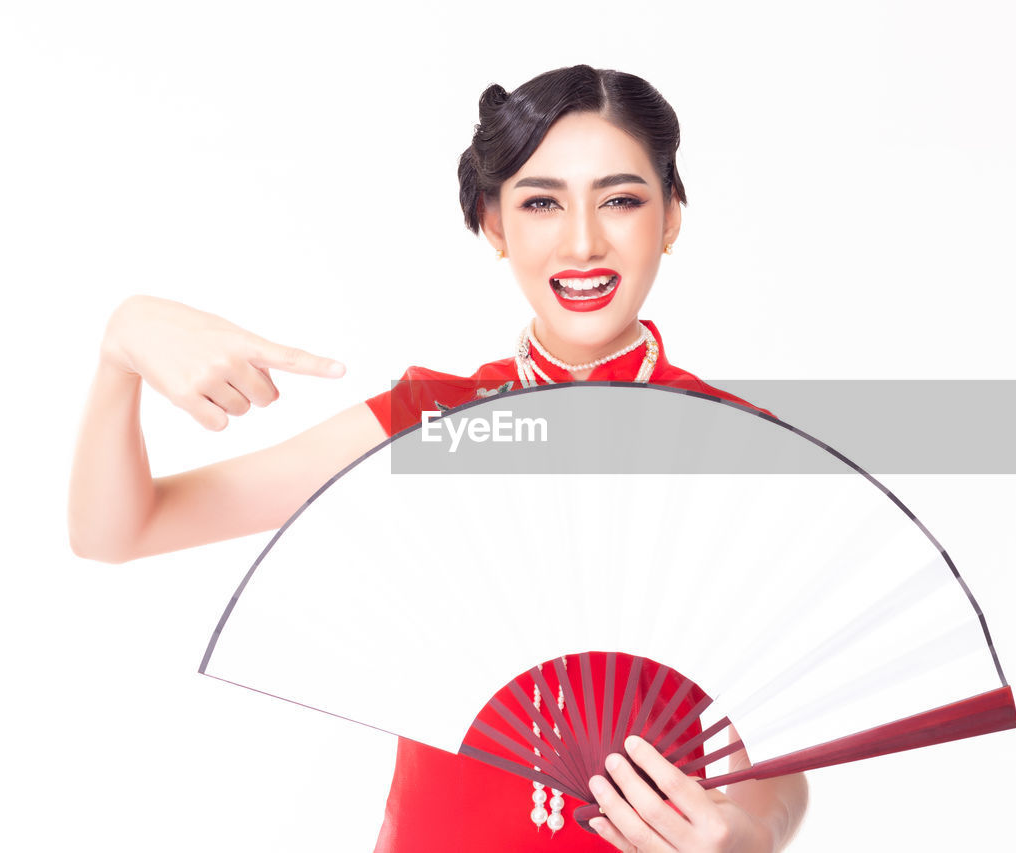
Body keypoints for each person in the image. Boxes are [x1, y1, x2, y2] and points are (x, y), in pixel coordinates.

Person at [69, 65, 809, 852]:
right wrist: (123, 342)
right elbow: (120, 529)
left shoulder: (743, 445)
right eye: (541, 203)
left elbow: (786, 746)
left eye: (621, 200)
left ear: (670, 217)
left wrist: (752, 832)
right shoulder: (429, 426)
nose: (584, 239)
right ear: (495, 225)